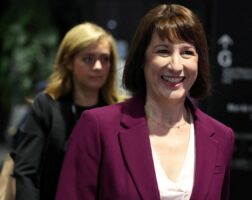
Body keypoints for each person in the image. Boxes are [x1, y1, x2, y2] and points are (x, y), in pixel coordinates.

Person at [56, 4, 235, 200]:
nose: (176, 65)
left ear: (199, 61)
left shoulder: (221, 137)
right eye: (163, 51)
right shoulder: (98, 127)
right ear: (142, 59)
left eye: (187, 52)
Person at [13, 22, 121, 200]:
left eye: (105, 59)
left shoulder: (118, 111)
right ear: (68, 62)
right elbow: (26, 172)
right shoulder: (47, 106)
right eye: (88, 58)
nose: (98, 67)